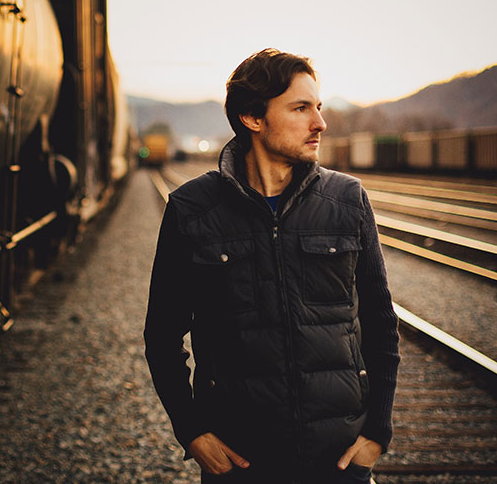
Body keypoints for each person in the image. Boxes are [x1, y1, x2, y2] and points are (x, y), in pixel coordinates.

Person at [144, 49, 400, 483]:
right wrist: (191, 431)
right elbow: (162, 333)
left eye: (318, 107)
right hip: (240, 460)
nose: (320, 122)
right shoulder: (191, 209)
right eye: (301, 108)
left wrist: (377, 432)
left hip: (339, 459)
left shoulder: (347, 200)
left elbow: (380, 323)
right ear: (252, 118)